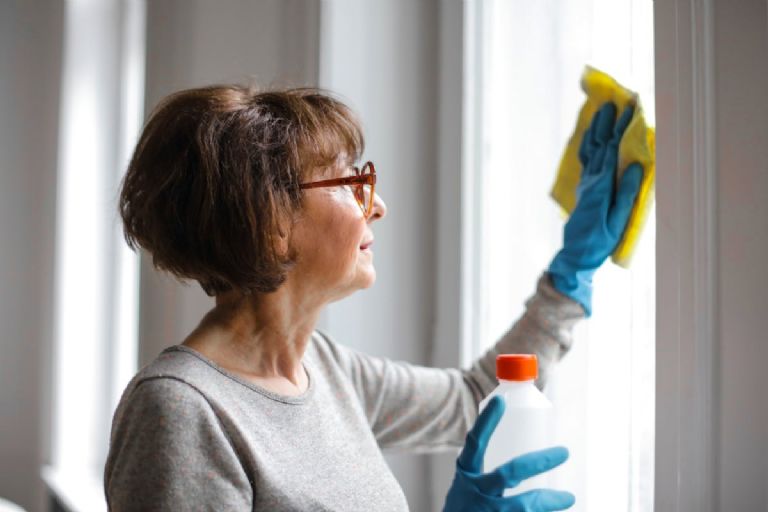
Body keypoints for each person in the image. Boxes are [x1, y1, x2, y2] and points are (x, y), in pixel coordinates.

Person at [104, 85, 641, 511]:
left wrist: (571, 273)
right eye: (348, 181)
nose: (377, 204)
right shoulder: (181, 411)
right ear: (271, 222)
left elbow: (474, 399)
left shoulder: (327, 369)